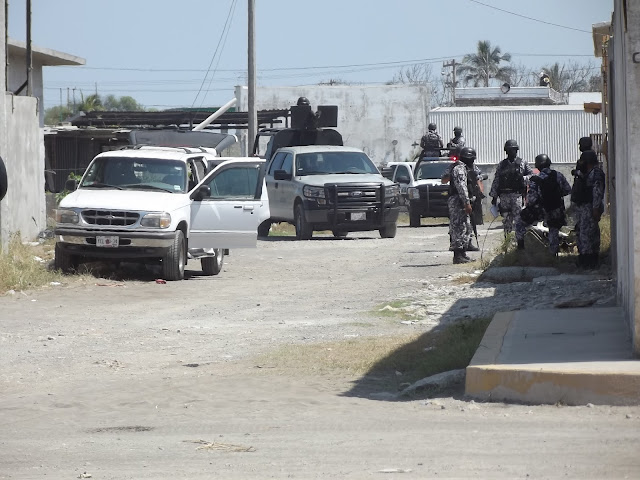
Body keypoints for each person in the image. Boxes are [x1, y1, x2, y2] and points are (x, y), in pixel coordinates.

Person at [489, 139, 533, 249]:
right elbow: (497, 180)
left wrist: (523, 179)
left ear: (516, 150)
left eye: (512, 150)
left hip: (517, 195)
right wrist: (494, 196)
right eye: (508, 150)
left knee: (519, 220)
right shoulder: (502, 164)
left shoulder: (522, 163)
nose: (510, 152)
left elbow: (532, 175)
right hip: (504, 196)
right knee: (506, 221)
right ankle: (507, 243)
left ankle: (520, 244)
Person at [525, 154, 572, 255]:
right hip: (557, 208)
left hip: (543, 210)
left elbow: (532, 198)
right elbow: (567, 190)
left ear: (538, 165)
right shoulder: (558, 175)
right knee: (554, 230)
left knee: (528, 226)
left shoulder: (536, 179)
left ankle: (548, 253)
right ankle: (554, 251)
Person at [572, 150, 605, 269]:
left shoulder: (595, 173)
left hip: (590, 207)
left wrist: (595, 208)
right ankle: (586, 259)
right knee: (584, 232)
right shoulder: (587, 173)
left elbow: (597, 192)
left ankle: (589, 261)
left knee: (587, 234)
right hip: (584, 207)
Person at [448, 147, 477, 264]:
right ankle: (458, 255)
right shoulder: (459, 169)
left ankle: (463, 253)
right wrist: (466, 202)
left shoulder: (464, 168)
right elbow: (461, 187)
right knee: (458, 227)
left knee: (466, 227)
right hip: (458, 201)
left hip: (461, 201)